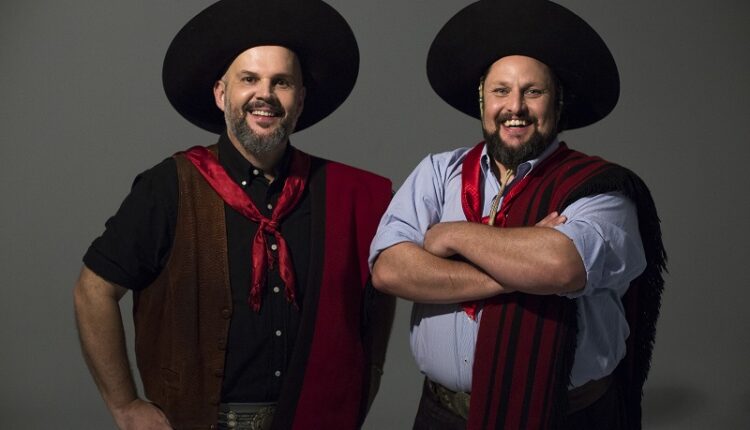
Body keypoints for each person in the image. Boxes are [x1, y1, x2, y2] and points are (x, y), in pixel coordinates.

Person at [73, 0, 395, 428]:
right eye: (249, 79)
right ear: (221, 94)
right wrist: (125, 406)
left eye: (282, 82)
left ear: (300, 101)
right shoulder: (170, 186)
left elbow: (378, 302)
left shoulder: (343, 193)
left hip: (313, 419)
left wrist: (367, 384)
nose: (266, 94)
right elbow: (93, 291)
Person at [369, 1, 666, 429]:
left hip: (563, 417)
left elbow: (561, 266)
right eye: (500, 91)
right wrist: (516, 271)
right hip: (443, 415)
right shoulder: (438, 172)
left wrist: (452, 234)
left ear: (557, 103)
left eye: (533, 92)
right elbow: (390, 270)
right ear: (482, 101)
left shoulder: (601, 188)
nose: (515, 107)